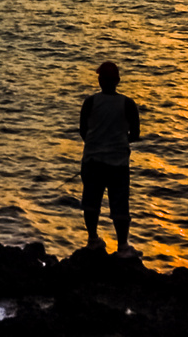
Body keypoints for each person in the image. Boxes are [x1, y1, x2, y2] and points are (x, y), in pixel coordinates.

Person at [78, 59, 141, 256]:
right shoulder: (128, 104)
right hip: (118, 164)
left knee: (91, 202)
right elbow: (136, 134)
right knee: (120, 204)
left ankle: (93, 240)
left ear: (100, 81)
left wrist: (97, 145)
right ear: (118, 81)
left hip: (92, 162)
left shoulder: (90, 102)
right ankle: (122, 246)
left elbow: (83, 131)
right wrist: (118, 144)